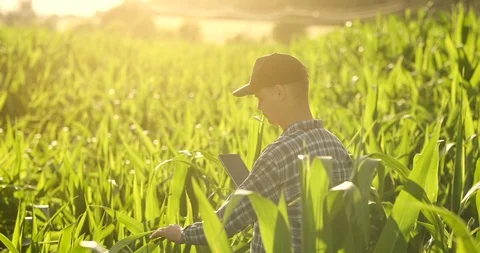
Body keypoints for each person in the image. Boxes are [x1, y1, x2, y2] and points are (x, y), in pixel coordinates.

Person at [149, 52, 352, 253]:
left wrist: (183, 233)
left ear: (280, 92)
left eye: (260, 97)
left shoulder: (278, 155)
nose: (258, 106)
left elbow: (226, 223)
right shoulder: (336, 146)